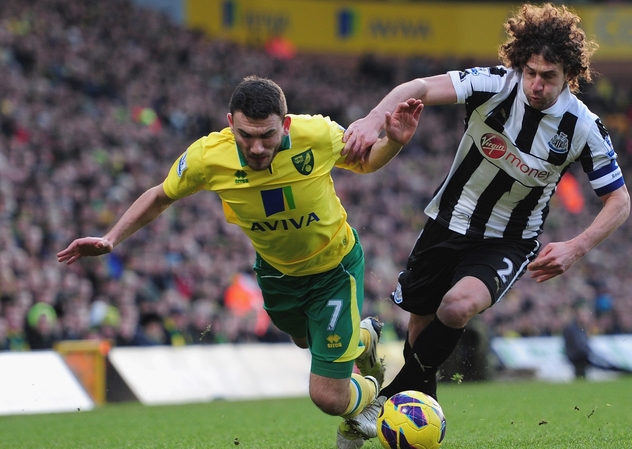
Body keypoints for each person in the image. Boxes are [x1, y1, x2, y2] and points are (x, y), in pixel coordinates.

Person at [56, 76, 424, 448]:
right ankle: (362, 338)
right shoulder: (207, 156)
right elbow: (160, 196)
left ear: (286, 124)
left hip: (334, 269)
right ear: (230, 123)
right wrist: (111, 238)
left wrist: (393, 141)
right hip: (277, 273)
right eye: (247, 135)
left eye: (267, 135)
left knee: (328, 397)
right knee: (302, 341)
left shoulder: (319, 135)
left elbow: (367, 162)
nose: (258, 147)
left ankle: (372, 395)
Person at [339, 3, 631, 442]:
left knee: (456, 307)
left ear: (569, 74)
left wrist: (576, 246)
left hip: (509, 239)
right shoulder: (493, 84)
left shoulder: (583, 127)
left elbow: (619, 200)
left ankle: (382, 404)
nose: (536, 84)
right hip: (446, 221)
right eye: (531, 71)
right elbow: (417, 86)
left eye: (549, 77)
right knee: (418, 335)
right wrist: (373, 118)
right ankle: (411, 431)